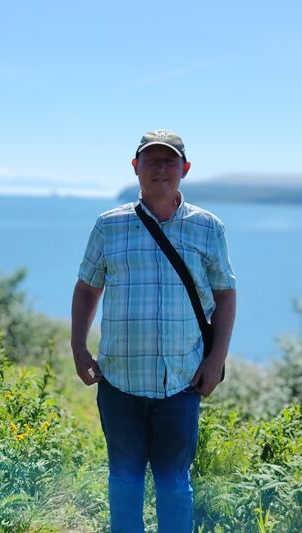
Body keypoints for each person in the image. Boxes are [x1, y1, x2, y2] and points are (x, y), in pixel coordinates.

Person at [71, 129, 236, 533]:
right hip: (120, 382)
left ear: (185, 169)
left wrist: (216, 360)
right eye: (151, 160)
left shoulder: (208, 227)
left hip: (181, 382)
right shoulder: (109, 225)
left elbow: (225, 295)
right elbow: (87, 288)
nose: (160, 168)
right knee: (124, 480)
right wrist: (78, 347)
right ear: (135, 167)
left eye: (169, 161)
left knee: (174, 484)